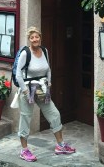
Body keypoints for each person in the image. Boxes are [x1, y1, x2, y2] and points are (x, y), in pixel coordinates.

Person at [16, 26, 76, 162]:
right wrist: (24, 90)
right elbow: (18, 74)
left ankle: (60, 145)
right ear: (29, 39)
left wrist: (49, 82)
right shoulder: (25, 53)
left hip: (41, 88)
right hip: (28, 89)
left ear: (40, 38)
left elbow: (48, 69)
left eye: (37, 37)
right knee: (26, 118)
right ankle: (24, 150)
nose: (35, 39)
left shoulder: (44, 51)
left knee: (54, 114)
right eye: (32, 37)